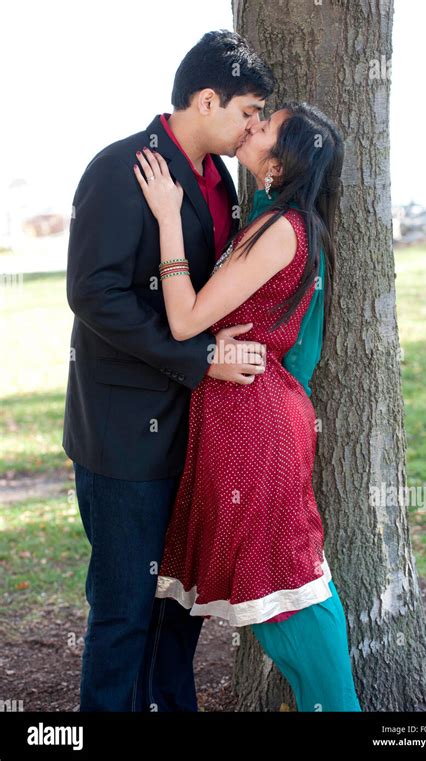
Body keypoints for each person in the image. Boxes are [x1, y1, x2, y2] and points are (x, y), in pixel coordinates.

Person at [63, 30, 276, 712]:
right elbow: (94, 293)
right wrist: (201, 356)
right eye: (248, 110)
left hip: (197, 433)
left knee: (179, 609)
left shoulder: (221, 181)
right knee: (124, 610)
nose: (254, 125)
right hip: (125, 436)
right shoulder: (120, 166)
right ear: (207, 98)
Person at [133, 97, 362, 712]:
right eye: (256, 118)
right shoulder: (267, 220)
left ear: (281, 166)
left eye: (267, 128)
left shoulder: (282, 230)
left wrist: (168, 218)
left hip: (255, 427)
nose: (253, 128)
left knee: (287, 582)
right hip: (242, 416)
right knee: (268, 581)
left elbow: (183, 320)